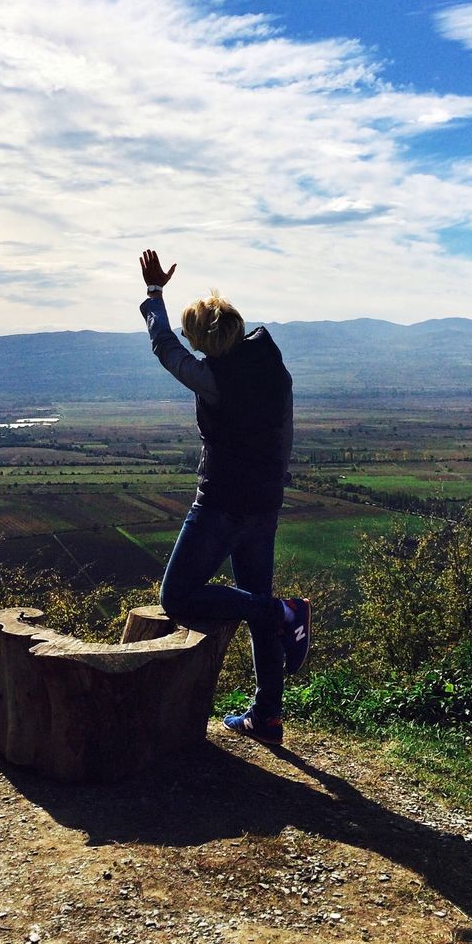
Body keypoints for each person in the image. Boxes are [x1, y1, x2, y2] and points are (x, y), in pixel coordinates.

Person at [138, 248, 311, 746]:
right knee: (252, 597)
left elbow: (167, 352)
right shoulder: (272, 365)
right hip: (265, 503)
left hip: (220, 506)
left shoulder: (216, 379)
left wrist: (154, 295)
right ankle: (268, 716)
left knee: (179, 596)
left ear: (207, 341)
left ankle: (284, 612)